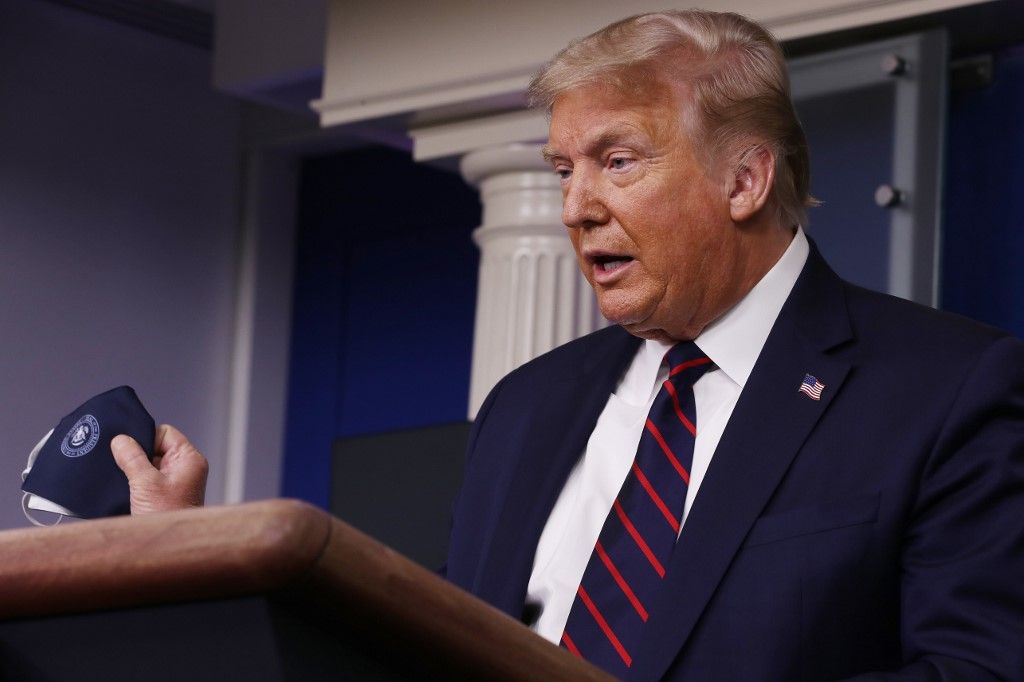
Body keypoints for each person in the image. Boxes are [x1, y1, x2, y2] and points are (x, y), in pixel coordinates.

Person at [116, 9, 1024, 680]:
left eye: (618, 161)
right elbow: (412, 648)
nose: (575, 206)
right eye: (563, 170)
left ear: (746, 178)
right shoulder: (528, 404)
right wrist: (197, 557)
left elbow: (977, 674)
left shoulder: (946, 387)